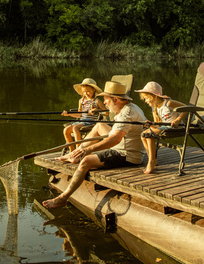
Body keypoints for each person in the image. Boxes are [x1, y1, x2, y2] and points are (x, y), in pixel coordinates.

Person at [43, 81, 147, 209]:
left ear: (116, 99)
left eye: (106, 99)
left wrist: (89, 149)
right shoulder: (128, 108)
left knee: (86, 160)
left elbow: (115, 139)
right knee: (99, 125)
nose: (105, 103)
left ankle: (63, 198)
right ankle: (74, 154)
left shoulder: (127, 114)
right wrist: (85, 148)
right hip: (123, 144)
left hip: (126, 154)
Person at [136, 81, 183, 174]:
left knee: (149, 134)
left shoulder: (168, 103)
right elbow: (158, 124)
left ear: (155, 96)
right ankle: (152, 159)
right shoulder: (154, 108)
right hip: (164, 127)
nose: (145, 101)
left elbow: (185, 108)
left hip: (176, 127)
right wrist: (151, 124)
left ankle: (151, 162)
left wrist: (178, 120)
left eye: (146, 98)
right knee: (143, 134)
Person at [61, 78, 104, 153]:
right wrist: (68, 114)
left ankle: (78, 150)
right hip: (82, 121)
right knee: (66, 130)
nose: (86, 93)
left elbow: (106, 112)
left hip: (91, 122)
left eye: (88, 91)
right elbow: (80, 115)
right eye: (84, 92)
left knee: (75, 128)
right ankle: (72, 151)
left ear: (93, 90)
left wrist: (96, 110)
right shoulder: (81, 101)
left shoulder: (96, 101)